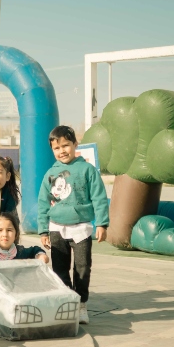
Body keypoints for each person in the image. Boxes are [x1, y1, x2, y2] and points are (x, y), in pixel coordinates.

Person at [38, 125, 109, 325]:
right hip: (56, 228)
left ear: (75, 144)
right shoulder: (50, 173)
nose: (62, 151)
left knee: (82, 268)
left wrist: (102, 223)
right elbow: (43, 203)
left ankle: (81, 304)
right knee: (60, 269)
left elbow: (99, 197)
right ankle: (69, 301)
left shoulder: (87, 169)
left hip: (81, 228)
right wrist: (43, 229)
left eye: (66, 145)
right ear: (52, 150)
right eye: (57, 148)